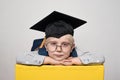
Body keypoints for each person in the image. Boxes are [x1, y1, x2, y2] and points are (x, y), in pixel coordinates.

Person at [16, 11, 105, 66]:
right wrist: (48, 60)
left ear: (72, 47)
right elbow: (19, 57)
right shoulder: (40, 53)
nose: (58, 49)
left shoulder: (77, 54)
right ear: (46, 46)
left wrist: (76, 60)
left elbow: (100, 57)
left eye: (65, 44)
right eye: (53, 44)